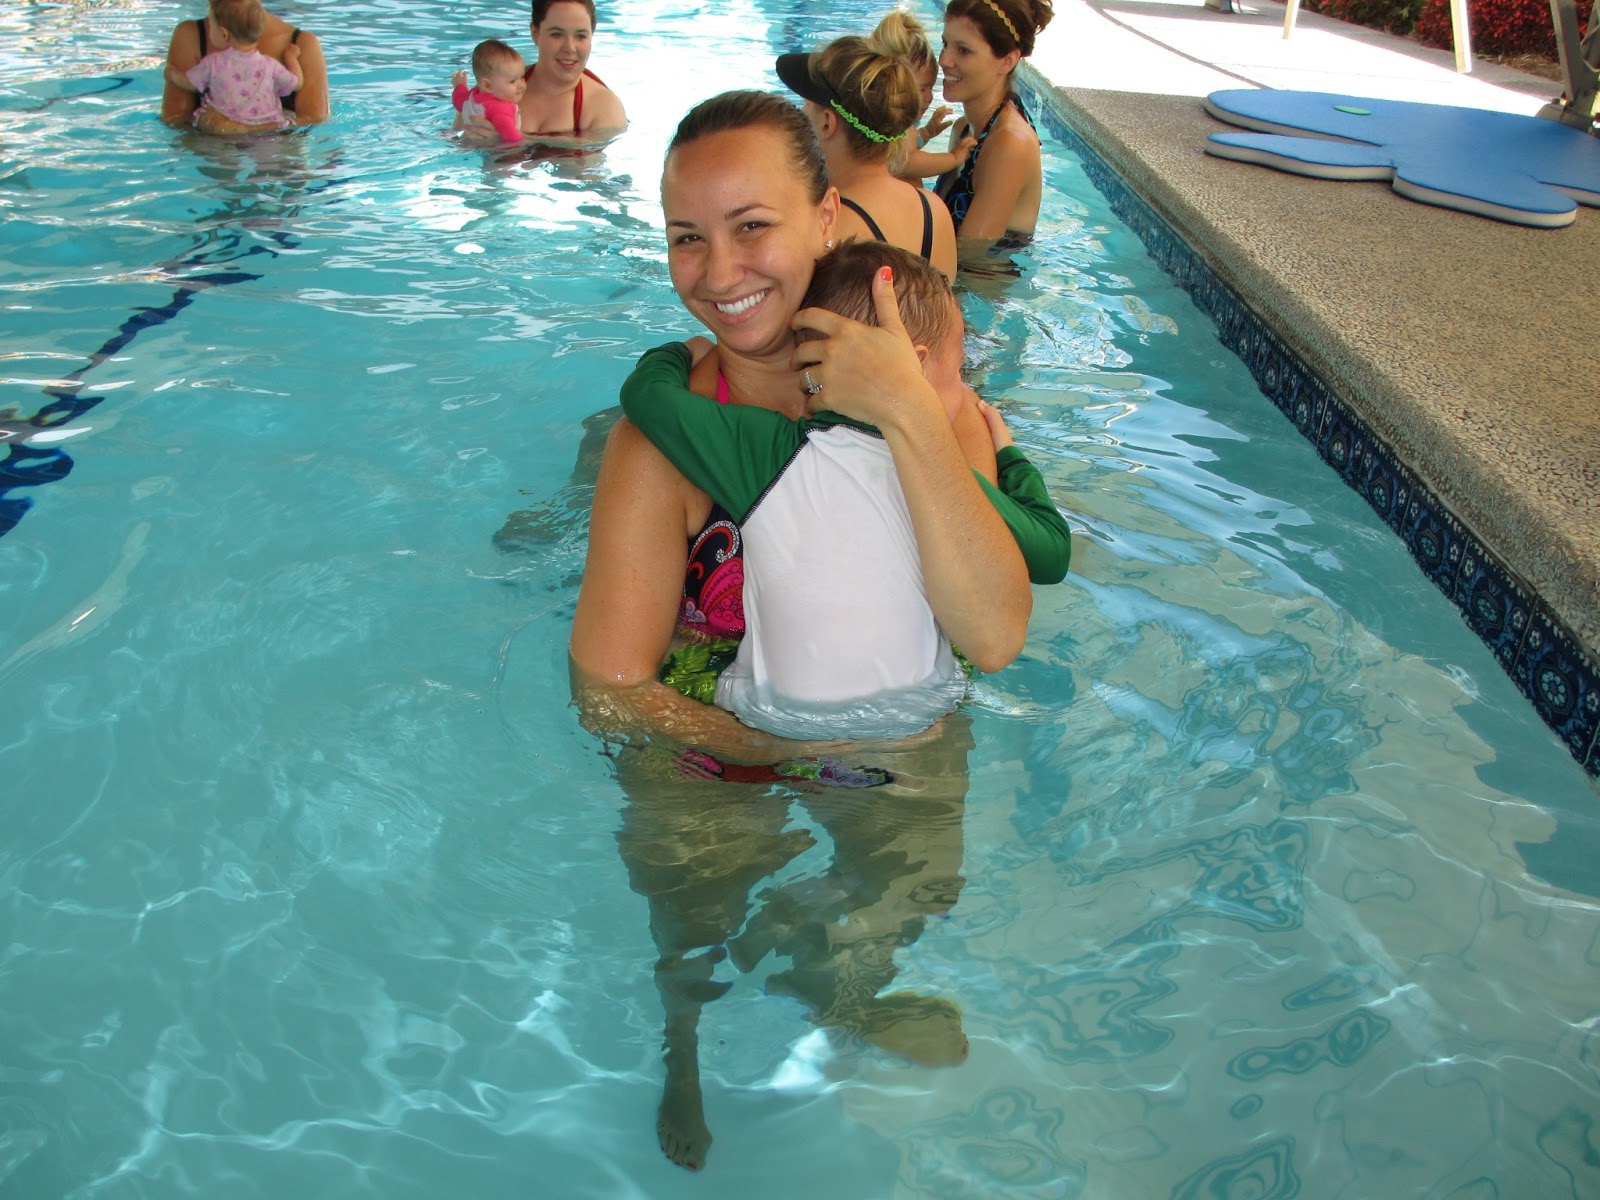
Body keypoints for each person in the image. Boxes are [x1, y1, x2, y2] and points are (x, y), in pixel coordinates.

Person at [569, 90, 1042, 1171]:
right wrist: (784, 752)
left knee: (914, 887)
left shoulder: (930, 396)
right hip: (705, 732)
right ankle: (684, 1040)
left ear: (827, 217)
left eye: (752, 227)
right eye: (687, 237)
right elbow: (607, 690)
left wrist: (911, 413)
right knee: (694, 900)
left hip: (891, 721)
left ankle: (847, 991)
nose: (718, 271)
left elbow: (996, 634)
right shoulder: (662, 447)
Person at [620, 240, 1071, 741]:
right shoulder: (938, 478)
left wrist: (680, 352)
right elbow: (1051, 551)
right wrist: (1010, 457)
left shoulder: (768, 450)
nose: (964, 388)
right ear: (918, 367)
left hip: (776, 723)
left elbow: (647, 396)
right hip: (916, 722)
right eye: (959, 368)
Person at [776, 37, 959, 281]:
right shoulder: (934, 211)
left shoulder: (824, 228)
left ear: (827, 123)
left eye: (805, 106)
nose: (801, 113)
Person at [935, 0, 1055, 249]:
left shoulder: (1010, 144)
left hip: (980, 274)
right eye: (945, 44)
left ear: (1007, 61)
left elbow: (972, 254)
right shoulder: (963, 129)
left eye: (963, 50)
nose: (944, 60)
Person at [161, 0, 328, 133]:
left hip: (278, 155)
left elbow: (317, 125)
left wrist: (232, 128)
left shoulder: (303, 44)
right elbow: (174, 124)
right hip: (214, 157)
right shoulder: (191, 36)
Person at [869, 10, 977, 184]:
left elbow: (905, 149)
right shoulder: (891, 124)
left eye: (931, 88)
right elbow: (907, 162)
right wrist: (954, 158)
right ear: (892, 86)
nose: (929, 97)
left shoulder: (885, 120)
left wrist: (927, 132)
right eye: (921, 89)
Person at [451, 39, 527, 144]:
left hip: (466, 143)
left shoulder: (470, 97)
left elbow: (457, 100)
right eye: (512, 81)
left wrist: (460, 85)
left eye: (522, 77)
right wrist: (526, 145)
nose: (521, 85)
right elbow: (513, 139)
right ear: (487, 85)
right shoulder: (500, 109)